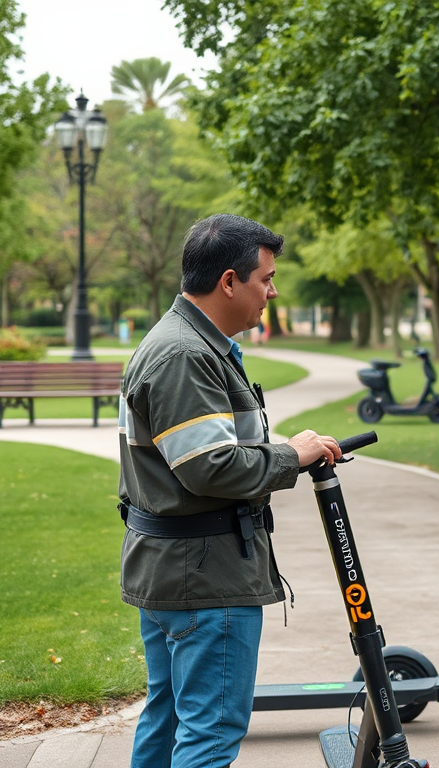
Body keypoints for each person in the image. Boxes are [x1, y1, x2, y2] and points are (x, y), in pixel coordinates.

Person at [118, 213, 343, 768]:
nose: (272, 291)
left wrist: (283, 450)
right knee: (209, 735)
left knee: (169, 718)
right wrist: (294, 455)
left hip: (180, 568)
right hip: (206, 576)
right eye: (265, 279)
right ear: (228, 282)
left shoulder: (189, 342)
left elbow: (205, 452)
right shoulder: (185, 355)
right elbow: (209, 468)